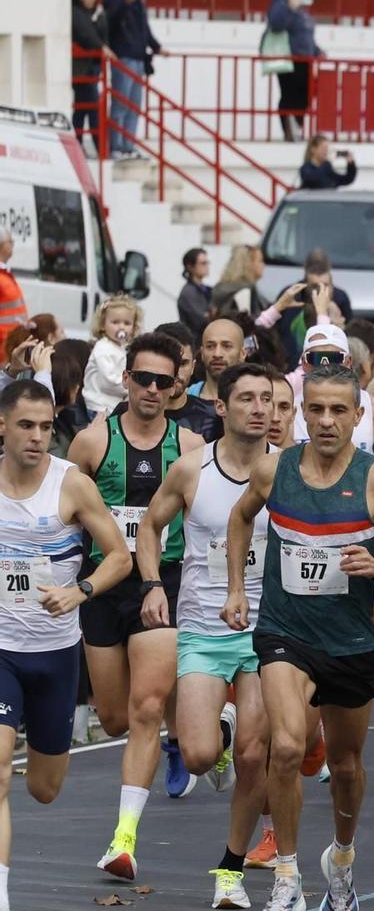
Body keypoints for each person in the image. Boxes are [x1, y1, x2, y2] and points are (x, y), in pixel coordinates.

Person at [223, 364, 374, 911]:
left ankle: (341, 859)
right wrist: (238, 587)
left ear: (359, 416)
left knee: (344, 765)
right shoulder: (274, 470)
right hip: (284, 632)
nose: (326, 420)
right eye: (315, 408)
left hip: (349, 641)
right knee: (286, 745)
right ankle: (285, 880)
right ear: (299, 412)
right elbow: (241, 519)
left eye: (339, 410)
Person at [135, 363, 278, 909]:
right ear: (223, 407)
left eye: (267, 398)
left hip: (270, 631)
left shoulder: (288, 473)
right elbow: (150, 526)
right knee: (197, 755)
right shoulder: (192, 470)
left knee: (252, 756)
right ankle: (219, 730)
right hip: (202, 625)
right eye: (246, 398)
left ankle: (231, 868)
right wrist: (152, 584)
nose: (259, 408)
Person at [69, 333, 208, 881]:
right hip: (105, 585)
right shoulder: (91, 442)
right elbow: (66, 512)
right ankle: (188, 723)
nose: (152, 390)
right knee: (115, 716)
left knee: (146, 706)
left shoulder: (191, 446)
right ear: (125, 379)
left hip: (163, 581)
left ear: (177, 387)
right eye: (142, 379)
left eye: (164, 382)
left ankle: (124, 839)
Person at [0, 378, 132, 911]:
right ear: (2, 426)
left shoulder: (71, 485)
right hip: (1, 650)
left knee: (44, 788)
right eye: (25, 425)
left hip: (54, 655)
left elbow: (121, 556)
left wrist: (81, 590)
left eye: (45, 426)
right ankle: (1, 905)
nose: (36, 437)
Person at [102, 0, 162, 159]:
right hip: (123, 58)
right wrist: (124, 4)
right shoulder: (115, 1)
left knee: (135, 105)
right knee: (120, 103)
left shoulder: (139, 4)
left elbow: (145, 30)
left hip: (138, 59)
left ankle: (129, 144)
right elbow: (110, 22)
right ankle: (116, 146)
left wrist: (157, 47)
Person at [265, 0, 320, 144]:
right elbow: (276, 24)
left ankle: (297, 124)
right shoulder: (280, 4)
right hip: (289, 58)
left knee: (305, 95)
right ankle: (289, 128)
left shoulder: (301, 10)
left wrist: (317, 51)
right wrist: (289, 7)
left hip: (305, 59)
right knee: (290, 94)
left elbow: (306, 34)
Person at [71, 0, 107, 146]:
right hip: (81, 69)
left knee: (82, 109)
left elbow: (102, 36)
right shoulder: (76, 12)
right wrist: (102, 47)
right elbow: (87, 36)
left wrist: (101, 19)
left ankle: (78, 143)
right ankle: (99, 145)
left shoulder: (96, 15)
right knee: (92, 107)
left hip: (92, 68)